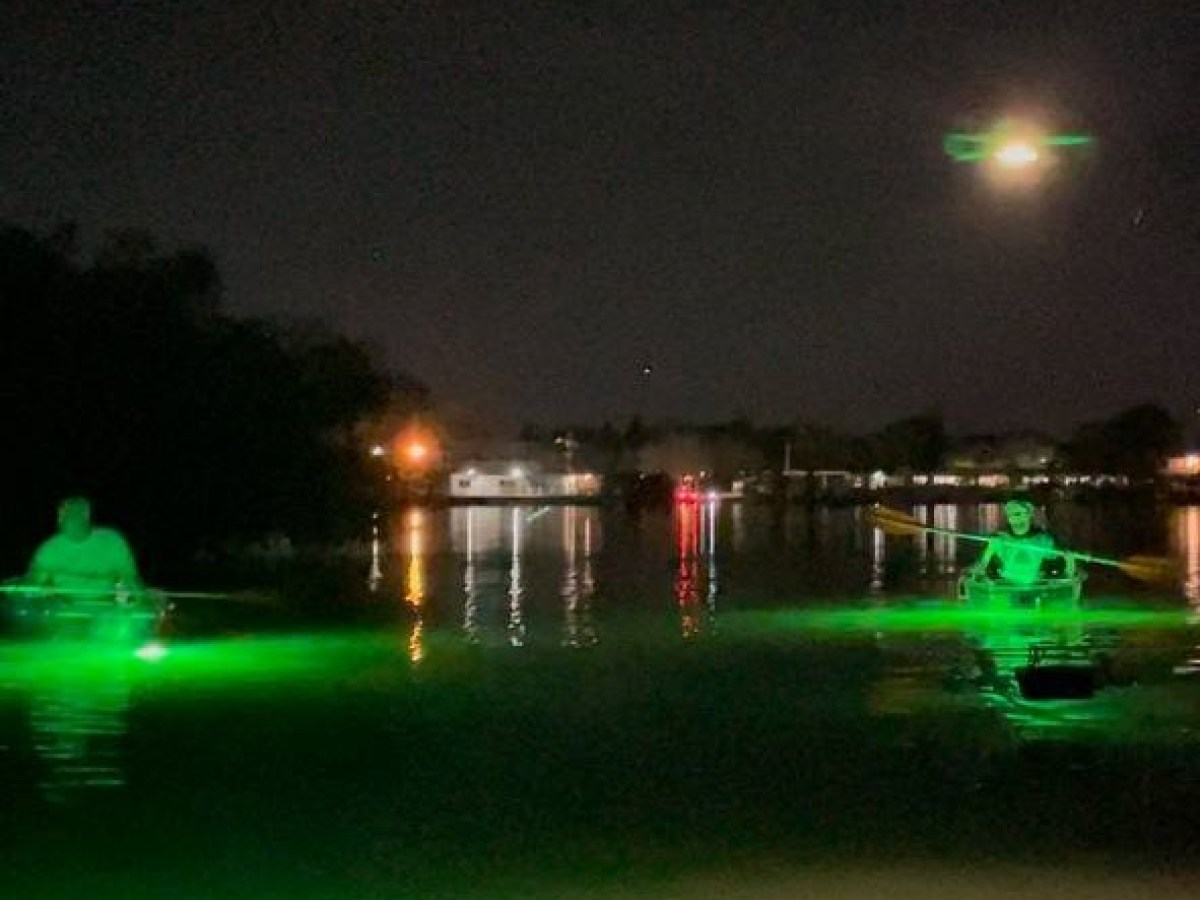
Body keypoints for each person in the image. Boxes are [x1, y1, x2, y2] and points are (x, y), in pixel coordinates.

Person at [26, 497, 143, 600]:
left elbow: (130, 578)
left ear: (86, 516)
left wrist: (138, 598)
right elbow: (34, 582)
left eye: (70, 513)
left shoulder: (112, 542)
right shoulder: (49, 549)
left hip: (105, 606)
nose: (62, 519)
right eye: (61, 515)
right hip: (64, 607)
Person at [971, 498, 1074, 585]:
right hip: (1005, 587)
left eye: (1017, 513)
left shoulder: (1043, 540)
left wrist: (1070, 561)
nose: (1013, 518)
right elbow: (980, 568)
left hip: (1035, 588)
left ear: (1029, 514)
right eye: (1009, 515)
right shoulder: (999, 539)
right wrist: (989, 552)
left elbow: (1066, 572)